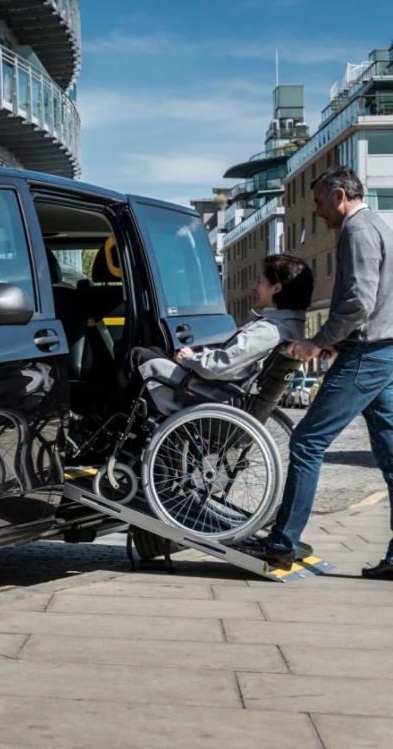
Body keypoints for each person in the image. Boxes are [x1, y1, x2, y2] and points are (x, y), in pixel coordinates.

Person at [236, 166, 393, 575]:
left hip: (367, 353)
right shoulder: (380, 225)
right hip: (385, 353)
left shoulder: (357, 232)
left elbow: (359, 301)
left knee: (306, 442)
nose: (319, 213)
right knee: (391, 455)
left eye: (321, 204)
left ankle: (281, 543)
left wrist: (317, 341)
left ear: (339, 195)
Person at [118, 254, 313, 416]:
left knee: (138, 357)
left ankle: (109, 430)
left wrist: (189, 358)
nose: (254, 287)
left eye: (259, 281)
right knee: (154, 352)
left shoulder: (269, 331)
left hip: (215, 398)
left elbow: (220, 366)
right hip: (225, 394)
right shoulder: (289, 327)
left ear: (276, 288)